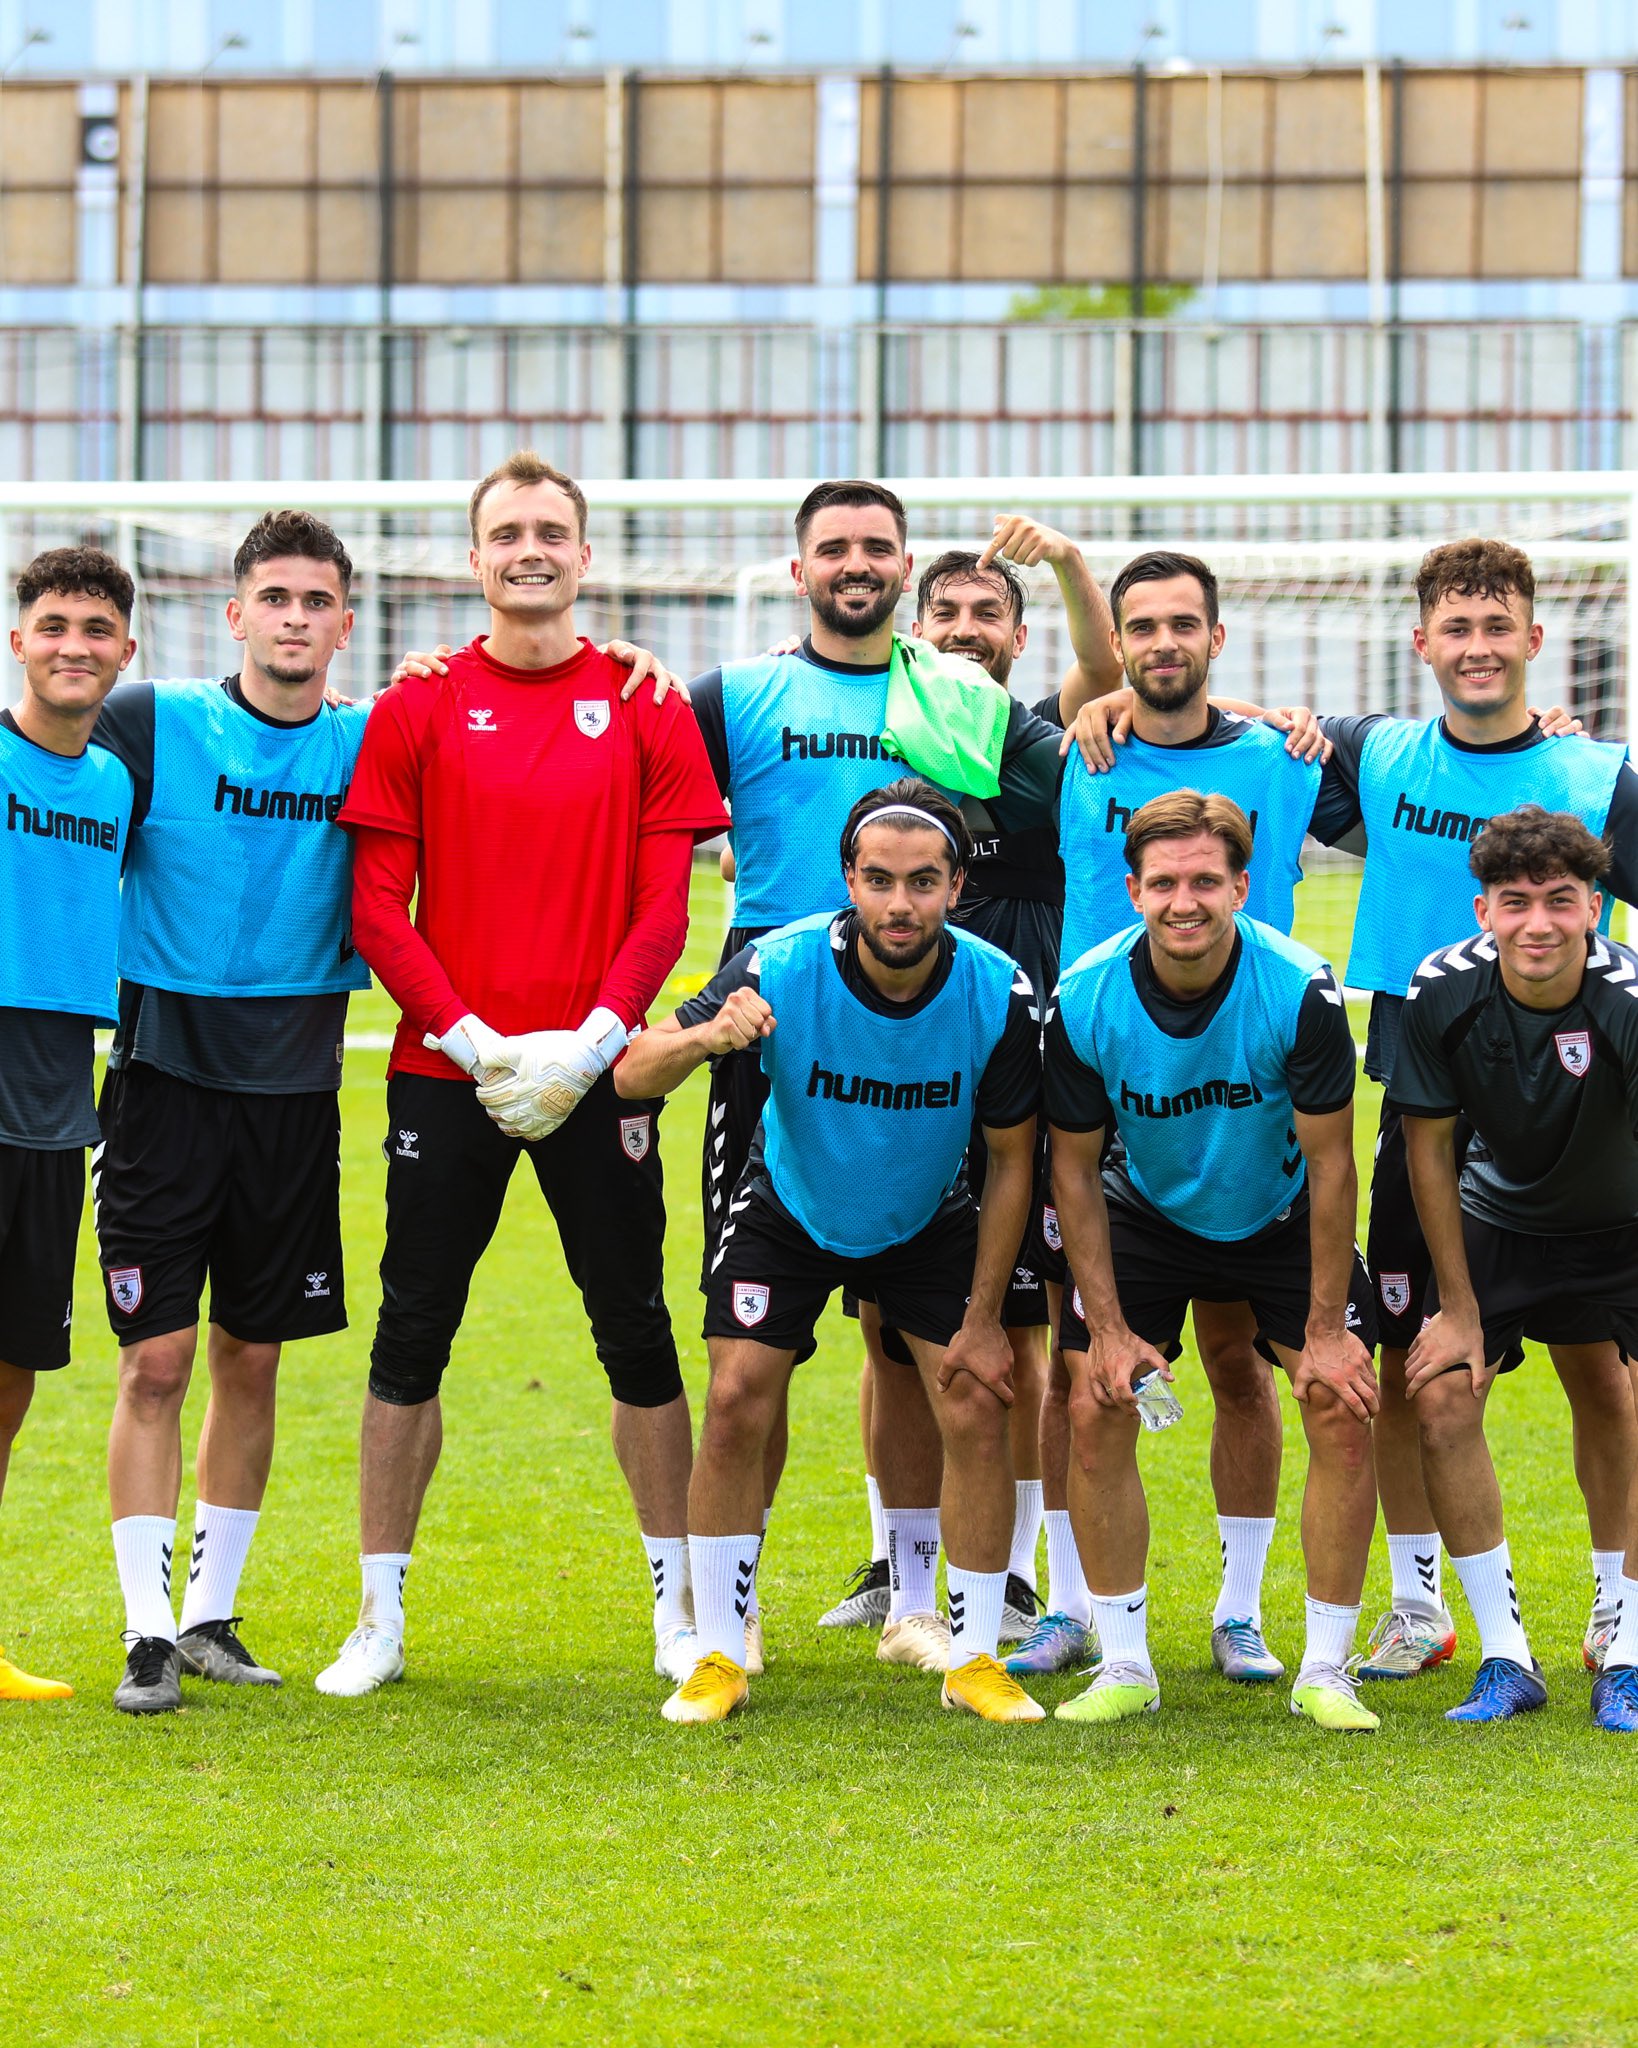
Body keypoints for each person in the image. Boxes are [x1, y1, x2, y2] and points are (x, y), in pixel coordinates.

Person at [316, 451, 726, 1698]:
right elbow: (376, 909)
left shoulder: (646, 701)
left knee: (635, 1328)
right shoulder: (418, 704)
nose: (530, 548)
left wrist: (594, 1042)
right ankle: (379, 1616)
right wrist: (478, 1041)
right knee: (411, 1333)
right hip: (452, 1072)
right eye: (507, 532)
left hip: (600, 1071)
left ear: (584, 555)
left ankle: (679, 1611)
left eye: (551, 529)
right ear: (475, 557)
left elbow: (665, 906)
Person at [683, 480, 1069, 1654]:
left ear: (904, 566)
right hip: (775, 1016)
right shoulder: (737, 694)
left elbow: (1104, 757)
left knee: (938, 1329)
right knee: (754, 1355)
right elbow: (633, 791)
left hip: (925, 1013)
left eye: (877, 547)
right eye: (835, 546)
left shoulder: (957, 696)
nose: (857, 563)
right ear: (799, 565)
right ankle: (730, 1615)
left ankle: (945, 1594)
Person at [616, 780, 1045, 1724]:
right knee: (736, 1397)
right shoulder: (779, 962)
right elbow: (632, 1072)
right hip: (792, 1204)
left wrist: (983, 1319)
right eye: (879, 880)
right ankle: (718, 1654)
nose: (901, 903)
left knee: (977, 1401)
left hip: (927, 1214)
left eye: (923, 882)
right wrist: (710, 1036)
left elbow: (1014, 1159)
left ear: (957, 886)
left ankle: (974, 1658)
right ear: (849, 880)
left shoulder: (997, 987)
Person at [1324, 541, 1638, 1679]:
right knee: (1413, 1356)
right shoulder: (1376, 752)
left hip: (1574, 1103)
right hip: (1429, 1085)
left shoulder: (1596, 774)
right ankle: (1419, 1603)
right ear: (1422, 643)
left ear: (1535, 640)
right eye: (1456, 628)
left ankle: (1616, 1612)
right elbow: (1237, 736)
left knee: (1598, 1371)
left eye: (1498, 626)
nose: (1477, 647)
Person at [819, 524, 1121, 1666]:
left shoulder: (1046, 731)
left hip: (1024, 1049)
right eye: (944, 613)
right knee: (888, 1328)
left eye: (986, 612)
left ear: (1017, 635)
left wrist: (1070, 565)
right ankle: (897, 1566)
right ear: (917, 629)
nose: (963, 630)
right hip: (908, 1053)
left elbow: (1114, 674)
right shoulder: (895, 746)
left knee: (1024, 1327)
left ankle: (1021, 1570)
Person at [94, 512, 372, 1714]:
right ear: (236, 613)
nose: (295, 617)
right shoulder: (151, 720)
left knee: (250, 1355)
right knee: (155, 1360)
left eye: (316, 600)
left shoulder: (372, 738)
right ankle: (146, 1626)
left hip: (296, 1094)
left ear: (345, 623)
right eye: (275, 597)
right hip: (162, 1085)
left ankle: (208, 1613)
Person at [1049, 549, 1342, 1683]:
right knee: (1083, 1372)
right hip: (1116, 1092)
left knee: (1238, 1366)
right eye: (1142, 626)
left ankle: (1240, 1613)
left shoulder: (1286, 757)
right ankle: (1082, 1617)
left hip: (1250, 1099)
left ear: (1218, 637)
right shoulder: (1074, 748)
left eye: (1185, 623)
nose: (1163, 642)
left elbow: (1455, 767)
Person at [1048, 791, 1382, 1731]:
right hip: (1148, 1212)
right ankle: (1124, 1663)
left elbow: (1332, 1164)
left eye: (1205, 880)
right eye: (1163, 883)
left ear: (1241, 886)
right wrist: (1108, 1330)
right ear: (1132, 890)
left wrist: (1325, 1331)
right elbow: (1071, 1169)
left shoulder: (1300, 988)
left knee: (1339, 1401)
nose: (1183, 901)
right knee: (1095, 1400)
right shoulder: (1086, 994)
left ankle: (1318, 1664)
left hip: (1279, 1212)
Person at [1390, 807, 1638, 1728]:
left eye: (1561, 901)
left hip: (1622, 1223)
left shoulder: (1630, 1000)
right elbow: (1427, 1147)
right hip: (1500, 1217)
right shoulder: (1441, 988)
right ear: (1483, 910)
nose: (1539, 923)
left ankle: (1628, 1650)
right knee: (1441, 1395)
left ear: (1595, 908)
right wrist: (1457, 1309)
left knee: (1614, 1393)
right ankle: (1506, 1657)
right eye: (1516, 901)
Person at [0, 549, 137, 1701]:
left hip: (56, 1108)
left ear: (125, 652)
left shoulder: (115, 784)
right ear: (18, 642)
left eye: (96, 628)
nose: (73, 645)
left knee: (12, 1379)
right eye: (53, 624)